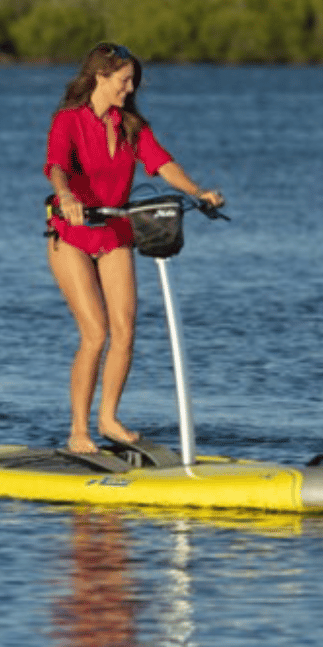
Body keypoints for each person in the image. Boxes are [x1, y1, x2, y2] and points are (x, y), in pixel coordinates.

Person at [43, 42, 224, 454]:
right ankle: (78, 431)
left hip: (115, 233)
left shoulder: (132, 126)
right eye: (124, 80)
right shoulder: (68, 121)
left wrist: (199, 192)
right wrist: (67, 196)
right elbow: (56, 165)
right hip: (70, 234)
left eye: (133, 82)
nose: (130, 88)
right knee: (96, 334)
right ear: (100, 77)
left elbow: (160, 163)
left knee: (125, 332)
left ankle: (108, 418)